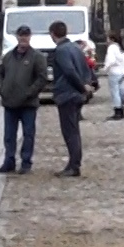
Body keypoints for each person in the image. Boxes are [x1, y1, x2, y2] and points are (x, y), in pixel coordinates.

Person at [0, 26, 48, 174]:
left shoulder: (37, 57)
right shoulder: (8, 56)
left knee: (28, 134)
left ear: (30, 37)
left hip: (28, 103)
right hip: (9, 102)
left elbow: (42, 78)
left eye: (26, 35)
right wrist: (1, 89)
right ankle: (9, 161)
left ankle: (26, 162)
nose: (23, 38)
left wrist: (29, 92)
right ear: (17, 37)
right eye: (21, 35)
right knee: (9, 135)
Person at [49, 20, 97, 177]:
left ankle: (74, 165)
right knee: (74, 130)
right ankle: (74, 162)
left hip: (67, 94)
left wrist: (81, 86)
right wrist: (87, 85)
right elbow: (86, 68)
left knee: (70, 132)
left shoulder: (61, 50)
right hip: (77, 95)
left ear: (52, 34)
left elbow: (69, 71)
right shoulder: (76, 48)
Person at [103, 34, 124, 120]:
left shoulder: (111, 48)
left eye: (107, 39)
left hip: (114, 72)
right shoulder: (120, 48)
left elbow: (111, 60)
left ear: (111, 39)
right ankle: (121, 110)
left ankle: (118, 111)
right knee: (119, 92)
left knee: (115, 93)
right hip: (121, 72)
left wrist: (105, 68)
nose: (106, 41)